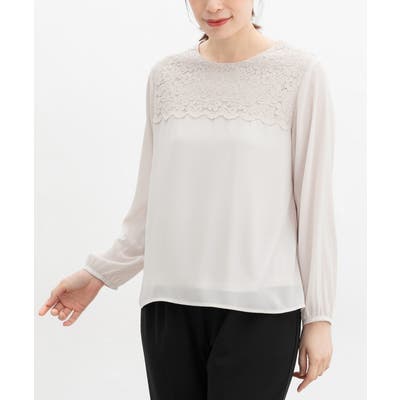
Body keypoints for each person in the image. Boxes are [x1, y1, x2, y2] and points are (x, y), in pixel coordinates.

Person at [39, 0, 338, 398]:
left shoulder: (301, 74)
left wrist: (319, 316)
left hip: (262, 310)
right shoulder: (166, 77)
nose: (212, 6)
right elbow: (151, 204)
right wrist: (99, 274)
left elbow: (315, 206)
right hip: (169, 307)